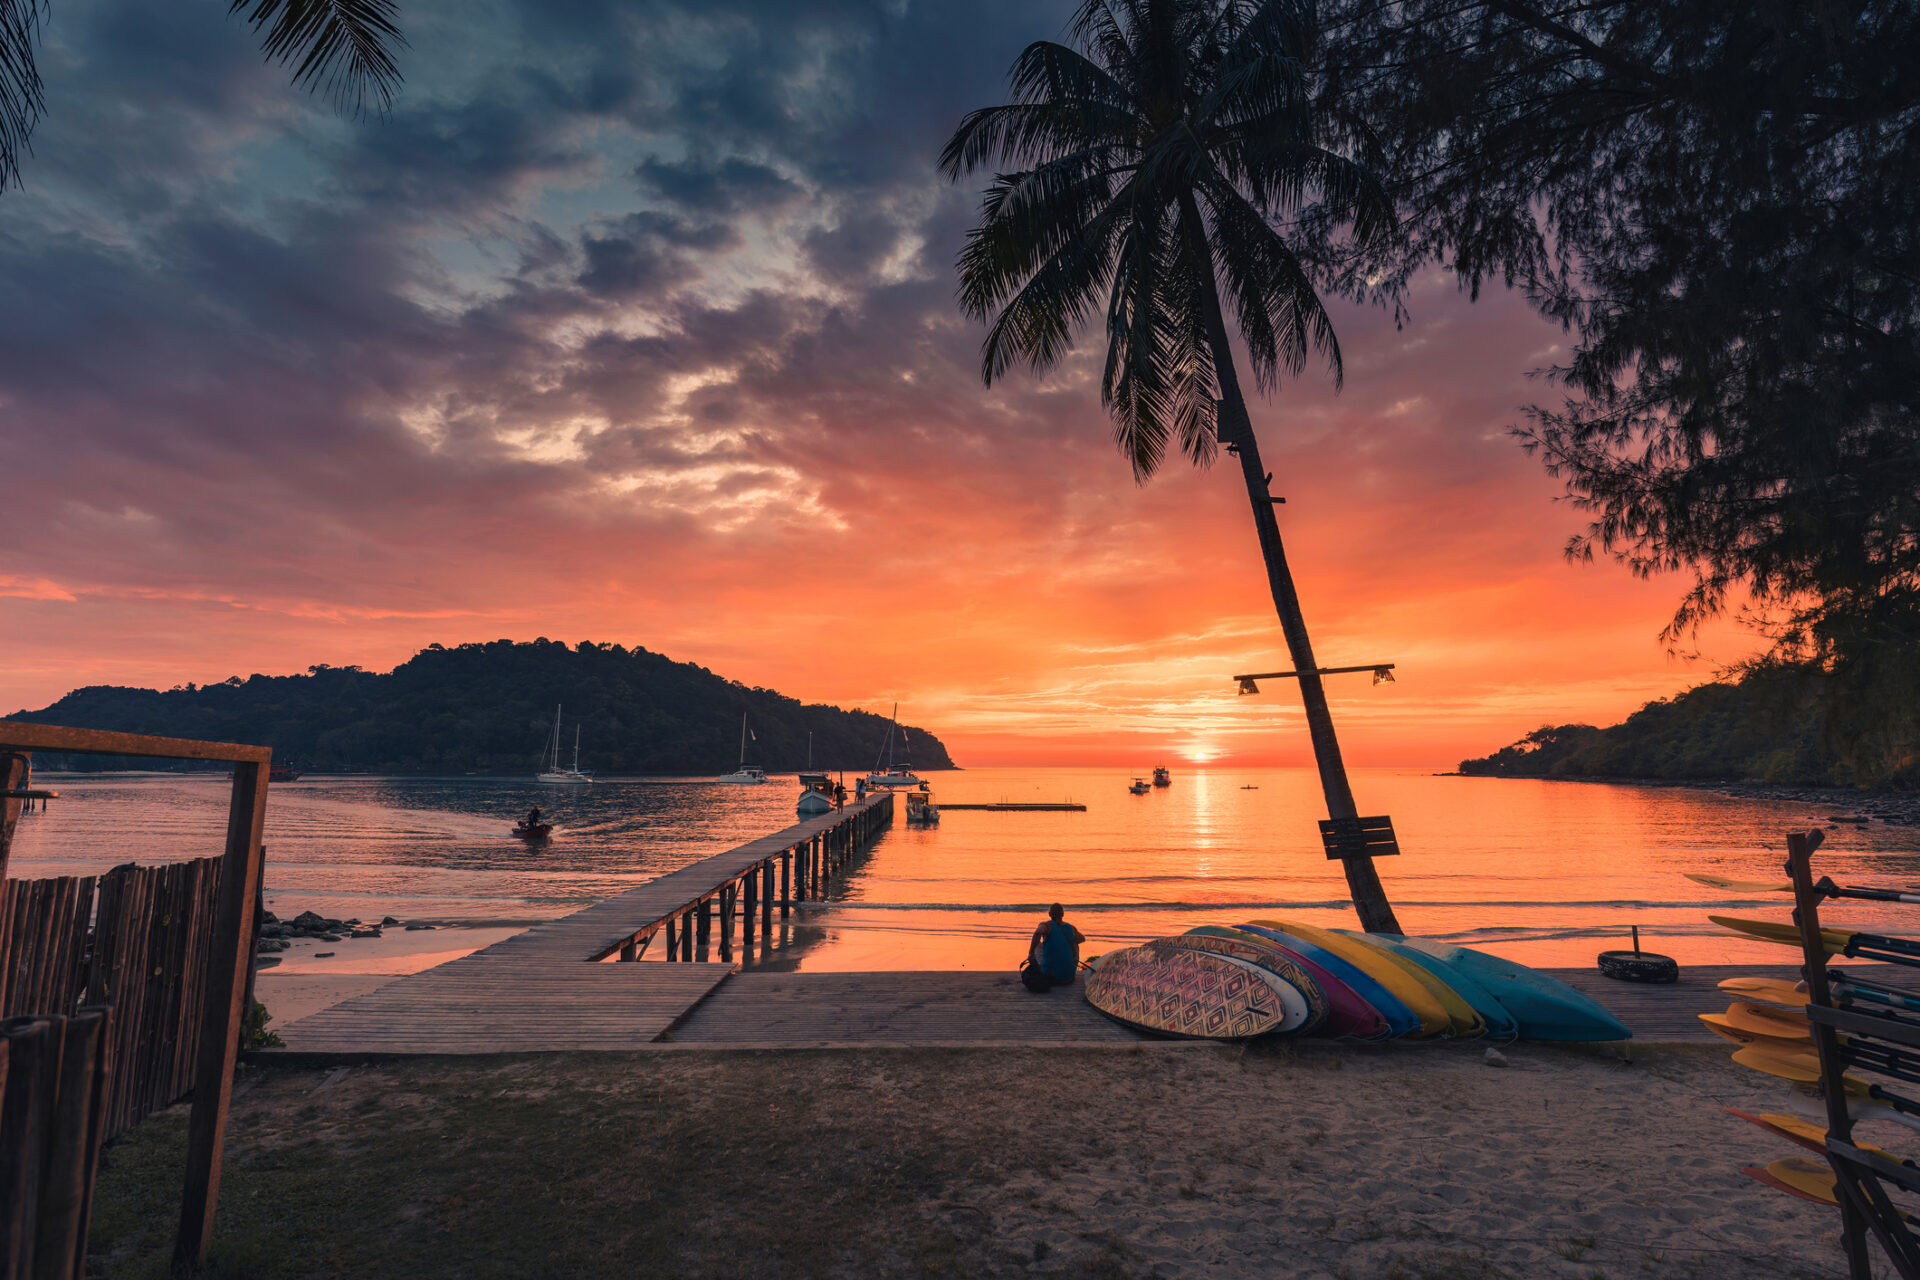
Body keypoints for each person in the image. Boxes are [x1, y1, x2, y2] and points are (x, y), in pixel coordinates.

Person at [1030, 903, 1086, 985]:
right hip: (1068, 978)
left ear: (1049, 914)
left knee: (1038, 944)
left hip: (1049, 978)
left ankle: (1045, 966)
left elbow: (1038, 932)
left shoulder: (1046, 925)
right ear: (1063, 914)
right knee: (1075, 944)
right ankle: (1067, 967)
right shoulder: (1071, 928)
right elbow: (1082, 939)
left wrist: (1031, 953)